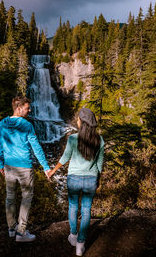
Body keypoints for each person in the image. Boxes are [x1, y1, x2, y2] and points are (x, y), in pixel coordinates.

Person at [48, 108, 104, 256]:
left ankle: (73, 235)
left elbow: (65, 158)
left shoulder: (73, 138)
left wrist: (53, 171)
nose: (77, 121)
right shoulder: (100, 140)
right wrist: (98, 179)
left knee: (73, 206)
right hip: (91, 179)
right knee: (86, 211)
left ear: (82, 123)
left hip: (73, 178)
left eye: (78, 119)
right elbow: (99, 163)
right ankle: (80, 244)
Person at [0, 96, 50, 242]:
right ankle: (21, 232)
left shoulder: (1, 124)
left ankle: (11, 229)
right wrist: (45, 166)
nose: (30, 110)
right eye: (27, 108)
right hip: (24, 167)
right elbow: (36, 147)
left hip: (9, 167)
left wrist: (1, 164)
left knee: (10, 197)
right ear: (19, 109)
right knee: (26, 197)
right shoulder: (27, 125)